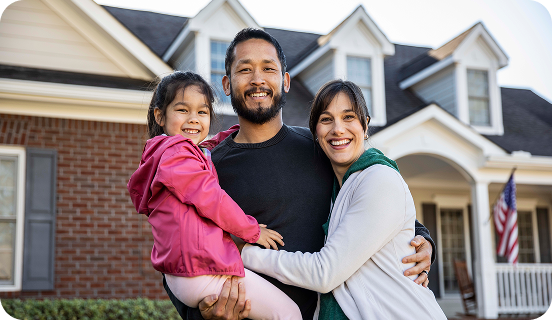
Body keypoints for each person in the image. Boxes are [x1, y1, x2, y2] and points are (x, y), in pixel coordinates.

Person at [165, 28, 436, 320]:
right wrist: (201, 314)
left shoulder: (321, 146)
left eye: (268, 68)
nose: (258, 79)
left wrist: (423, 239)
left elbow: (376, 205)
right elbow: (173, 246)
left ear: (285, 81)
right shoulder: (205, 168)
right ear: (227, 84)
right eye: (245, 69)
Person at [240, 79, 447, 319]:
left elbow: (325, 273)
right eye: (326, 119)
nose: (338, 129)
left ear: (365, 125)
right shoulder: (333, 187)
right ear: (315, 132)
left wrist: (243, 252)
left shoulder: (379, 178)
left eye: (348, 117)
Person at [127, 71, 302, 320]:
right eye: (182, 110)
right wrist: (252, 230)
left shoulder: (167, 154)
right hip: (201, 269)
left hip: (182, 273)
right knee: (288, 313)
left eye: (202, 112)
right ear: (160, 116)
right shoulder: (177, 157)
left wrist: (229, 136)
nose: (194, 119)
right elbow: (213, 199)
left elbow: (203, 150)